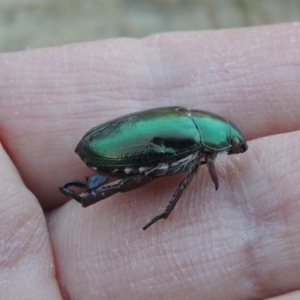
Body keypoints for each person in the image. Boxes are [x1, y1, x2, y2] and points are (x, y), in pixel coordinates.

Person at [0, 23, 299, 299]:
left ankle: (90, 191)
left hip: (108, 143)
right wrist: (168, 210)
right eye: (231, 145)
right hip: (113, 150)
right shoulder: (196, 148)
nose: (233, 149)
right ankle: (90, 194)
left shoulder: (191, 123)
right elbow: (182, 185)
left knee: (145, 176)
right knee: (146, 177)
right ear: (216, 143)